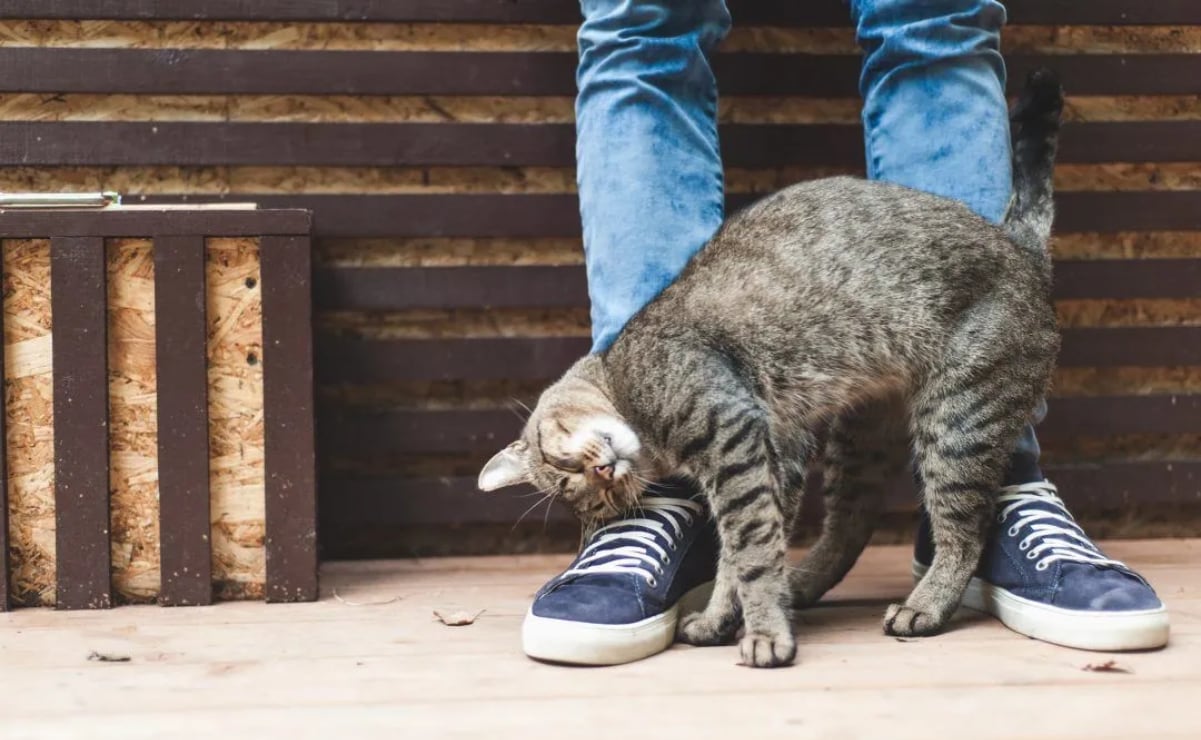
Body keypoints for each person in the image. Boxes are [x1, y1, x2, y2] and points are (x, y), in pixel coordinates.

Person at [519, 0, 1169, 665]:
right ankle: (673, 514)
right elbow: (765, 453)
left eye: (570, 464)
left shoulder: (645, 369)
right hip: (846, 341)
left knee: (929, 13)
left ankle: (989, 501)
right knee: (641, 20)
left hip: (954, 308)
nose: (592, 469)